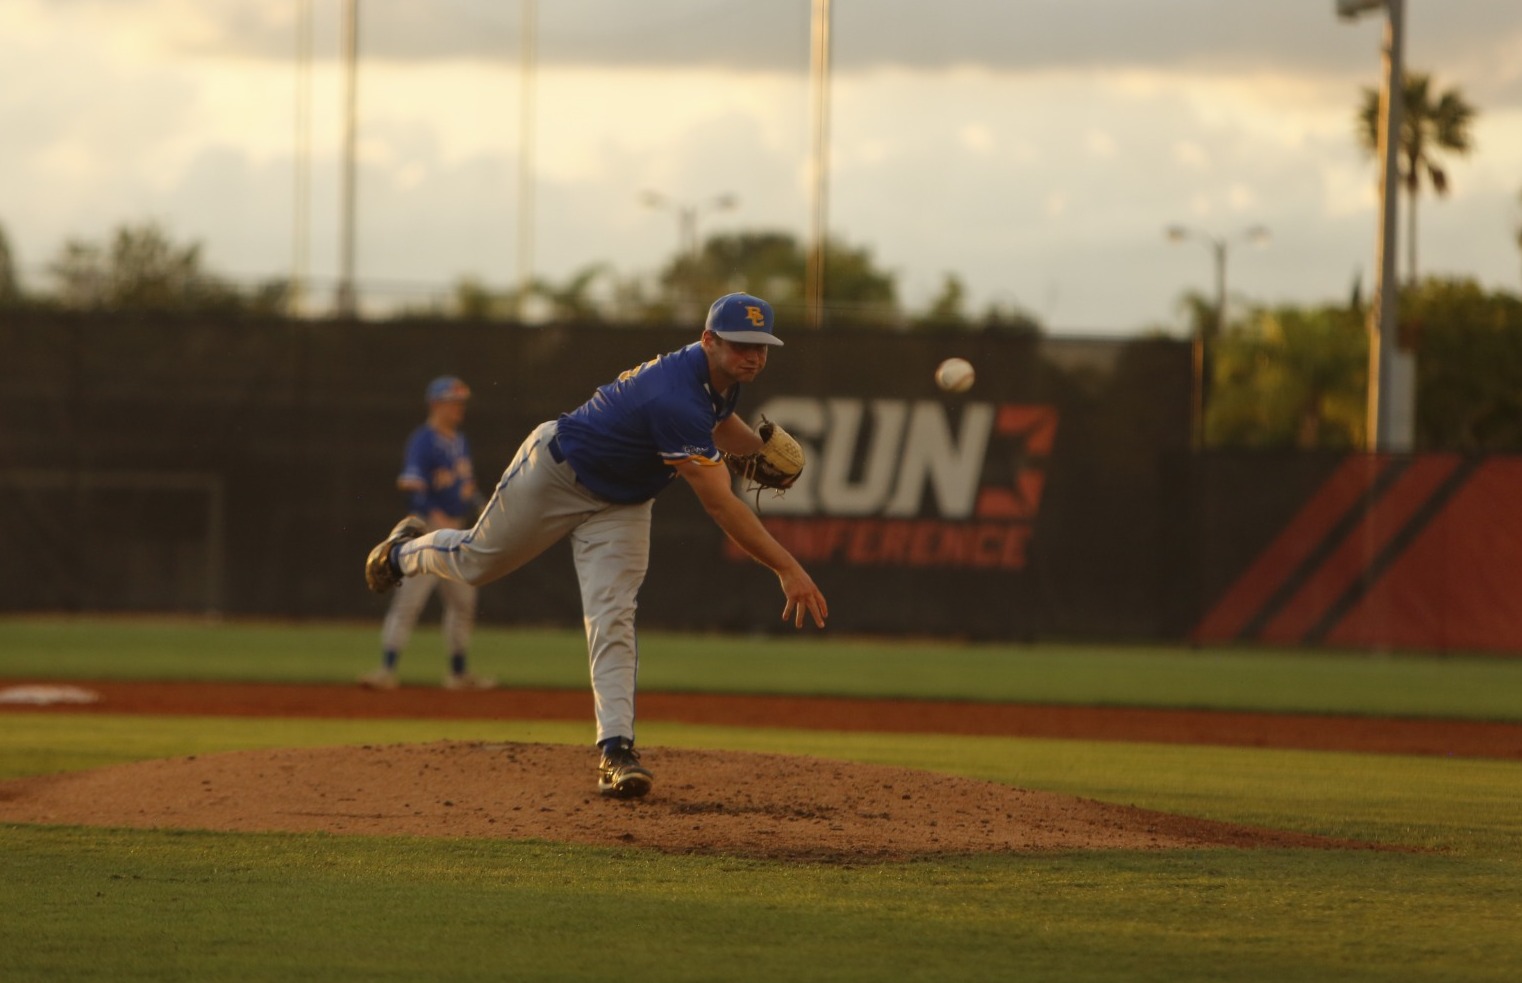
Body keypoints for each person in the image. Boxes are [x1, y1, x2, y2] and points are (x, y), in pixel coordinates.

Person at [363, 293, 828, 798]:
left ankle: (616, 751)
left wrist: (757, 450)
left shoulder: (718, 378)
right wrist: (786, 567)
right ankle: (403, 551)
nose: (753, 356)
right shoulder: (673, 396)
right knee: (476, 563)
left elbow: (717, 423)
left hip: (624, 503)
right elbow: (721, 505)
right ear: (708, 340)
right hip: (557, 475)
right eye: (741, 345)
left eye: (762, 346)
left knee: (613, 615)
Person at [359, 375, 496, 692]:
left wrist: (482, 509)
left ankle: (458, 674)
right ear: (436, 403)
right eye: (454, 401)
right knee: (409, 601)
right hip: (427, 532)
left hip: (458, 531)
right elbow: (412, 485)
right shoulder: (422, 440)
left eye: (462, 402)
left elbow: (467, 486)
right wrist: (434, 516)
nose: (460, 408)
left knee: (464, 601)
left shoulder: (460, 441)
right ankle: (386, 670)